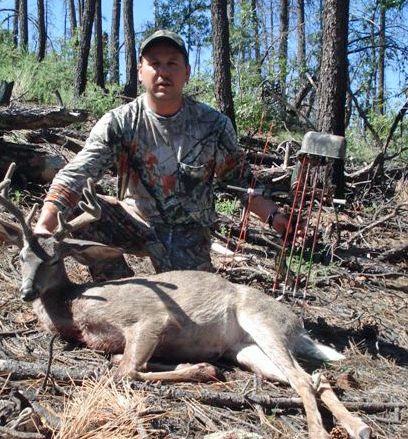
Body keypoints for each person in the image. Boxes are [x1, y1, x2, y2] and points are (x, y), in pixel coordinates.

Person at [34, 30, 294, 279]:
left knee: (192, 315)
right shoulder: (119, 122)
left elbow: (240, 181)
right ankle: (118, 286)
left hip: (186, 234)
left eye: (172, 63)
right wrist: (44, 226)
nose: (163, 72)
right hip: (132, 220)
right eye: (155, 63)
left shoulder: (213, 125)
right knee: (75, 207)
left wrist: (274, 217)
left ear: (187, 73)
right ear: (140, 72)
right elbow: (77, 174)